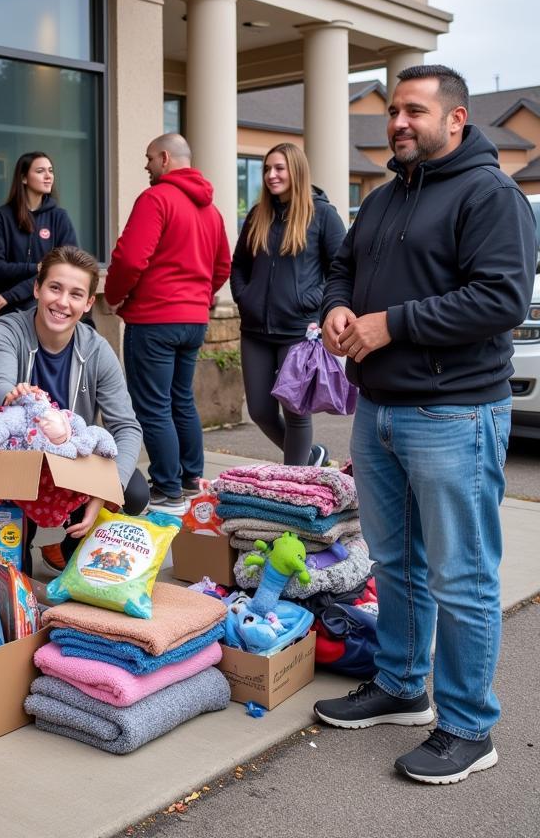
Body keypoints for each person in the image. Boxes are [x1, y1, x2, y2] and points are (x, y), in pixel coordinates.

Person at [313, 65, 537, 785]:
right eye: (394, 113)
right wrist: (337, 310)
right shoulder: (383, 199)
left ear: (456, 119)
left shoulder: (491, 195)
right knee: (396, 562)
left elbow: (501, 300)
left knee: (461, 576)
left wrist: (389, 326)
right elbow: (340, 268)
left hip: (455, 413)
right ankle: (402, 685)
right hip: (378, 410)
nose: (399, 123)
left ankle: (470, 727)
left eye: (415, 111)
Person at [0, 246, 146, 574]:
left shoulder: (97, 350)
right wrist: (14, 393)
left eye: (76, 294)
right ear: (37, 288)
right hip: (18, 453)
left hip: (73, 459)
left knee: (134, 490)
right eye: (55, 288)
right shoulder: (6, 330)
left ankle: (73, 554)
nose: (62, 302)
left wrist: (103, 492)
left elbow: (128, 428)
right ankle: (14, 570)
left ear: (88, 304)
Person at [104, 133, 231, 514]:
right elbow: (223, 266)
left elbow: (128, 260)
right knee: (181, 399)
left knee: (154, 405)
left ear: (164, 157)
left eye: (148, 159)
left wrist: (114, 297)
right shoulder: (211, 211)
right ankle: (191, 478)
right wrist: (199, 297)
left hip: (154, 319)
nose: (146, 166)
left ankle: (168, 486)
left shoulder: (155, 198)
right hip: (193, 321)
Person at [230, 143, 346, 466]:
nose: (271, 175)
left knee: (296, 412)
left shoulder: (322, 215)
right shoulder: (257, 215)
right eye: (267, 169)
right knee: (260, 411)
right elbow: (238, 265)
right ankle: (309, 458)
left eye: (279, 168)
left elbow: (342, 270)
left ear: (296, 170)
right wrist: (245, 296)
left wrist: (312, 304)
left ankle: (294, 486)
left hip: (298, 330)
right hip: (255, 329)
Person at [0, 151, 77, 318]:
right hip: (4, 309)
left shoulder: (59, 217)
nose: (48, 176)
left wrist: (13, 294)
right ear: (24, 178)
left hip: (43, 308)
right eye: (40, 171)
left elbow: (62, 269)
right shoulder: (3, 216)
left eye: (50, 171)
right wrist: (34, 267)